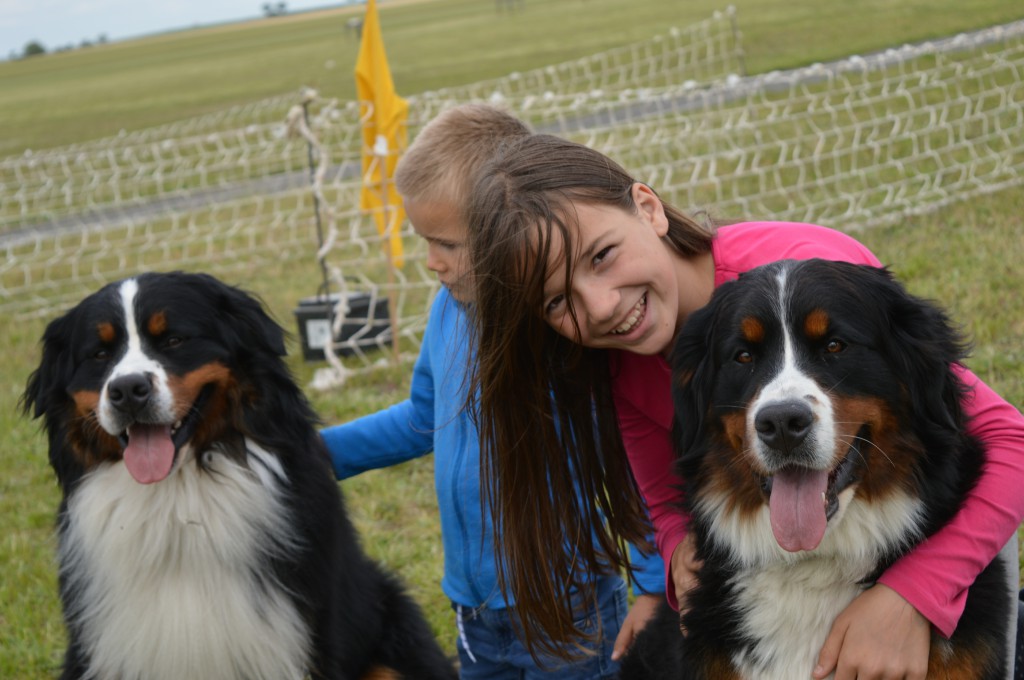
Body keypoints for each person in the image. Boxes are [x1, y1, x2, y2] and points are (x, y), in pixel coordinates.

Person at [465, 132, 1024, 679]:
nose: (602, 305)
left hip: (960, 532)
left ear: (647, 207)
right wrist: (674, 548)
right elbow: (665, 495)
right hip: (764, 575)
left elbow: (1008, 443)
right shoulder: (619, 361)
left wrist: (916, 593)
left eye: (603, 255)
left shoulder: (812, 266)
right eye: (559, 299)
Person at [320, 104, 664, 679]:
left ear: (506, 229)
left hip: (565, 608)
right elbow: (419, 421)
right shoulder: (446, 312)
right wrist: (314, 455)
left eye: (445, 244)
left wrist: (653, 586)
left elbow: (631, 460)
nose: (431, 263)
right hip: (472, 606)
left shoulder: (562, 331)